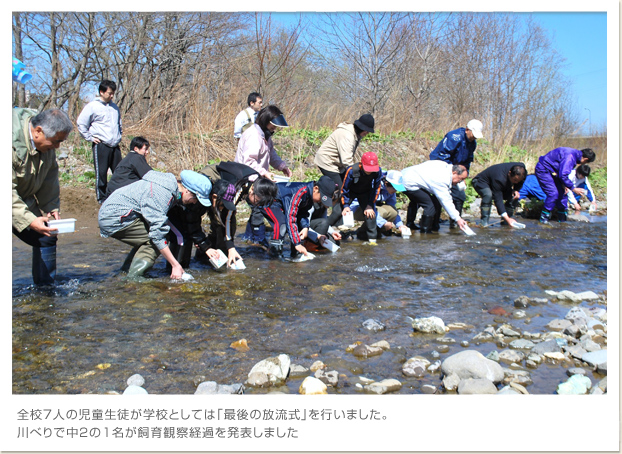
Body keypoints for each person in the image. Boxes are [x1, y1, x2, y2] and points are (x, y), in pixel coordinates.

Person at [98, 170, 211, 279]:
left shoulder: (170, 187)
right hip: (113, 218)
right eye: (196, 198)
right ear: (187, 191)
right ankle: (134, 279)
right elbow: (157, 236)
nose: (195, 202)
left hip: (118, 214)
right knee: (154, 241)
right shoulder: (162, 194)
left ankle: (125, 272)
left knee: (149, 238)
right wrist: (175, 265)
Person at [13, 108, 73, 285]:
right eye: (56, 142)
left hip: (20, 197)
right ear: (38, 131)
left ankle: (45, 291)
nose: (57, 147)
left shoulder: (46, 145)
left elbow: (49, 178)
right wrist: (29, 220)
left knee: (47, 234)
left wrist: (51, 207)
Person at [234, 105, 292, 245]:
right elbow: (249, 161)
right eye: (273, 126)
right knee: (258, 208)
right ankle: (257, 239)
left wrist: (282, 166)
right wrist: (265, 172)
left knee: (257, 208)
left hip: (258, 177)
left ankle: (250, 237)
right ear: (266, 121)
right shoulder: (254, 135)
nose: (274, 129)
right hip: (247, 178)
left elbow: (271, 155)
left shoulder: (265, 136)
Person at [313, 114, 375, 225]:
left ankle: (338, 222)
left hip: (337, 164)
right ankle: (327, 222)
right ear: (361, 128)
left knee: (344, 189)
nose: (367, 134)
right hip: (327, 161)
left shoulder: (355, 134)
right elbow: (347, 160)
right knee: (340, 190)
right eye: (366, 131)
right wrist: (357, 175)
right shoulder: (348, 135)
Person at [429, 119, 483, 226]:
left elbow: (467, 160)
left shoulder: (473, 143)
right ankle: (433, 223)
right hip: (441, 168)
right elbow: (442, 156)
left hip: (456, 172)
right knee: (438, 196)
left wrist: (463, 177)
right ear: (467, 130)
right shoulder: (454, 137)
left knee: (460, 196)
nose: (475, 138)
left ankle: (454, 222)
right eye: (474, 135)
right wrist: (453, 172)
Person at [77, 80, 123, 203]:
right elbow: (81, 123)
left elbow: (119, 124)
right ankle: (101, 198)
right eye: (109, 93)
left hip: (115, 145)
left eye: (113, 93)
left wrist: (119, 136)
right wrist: (89, 137)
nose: (112, 95)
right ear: (101, 92)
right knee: (101, 173)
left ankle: (118, 196)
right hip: (101, 144)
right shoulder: (92, 106)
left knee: (119, 172)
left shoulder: (114, 107)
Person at [275, 176, 340, 259]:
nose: (322, 202)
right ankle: (276, 254)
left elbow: (303, 215)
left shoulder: (311, 197)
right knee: (283, 225)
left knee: (334, 241)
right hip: (274, 203)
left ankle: (296, 254)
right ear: (316, 189)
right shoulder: (302, 194)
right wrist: (297, 243)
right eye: (322, 199)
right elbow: (291, 217)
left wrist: (305, 227)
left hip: (300, 220)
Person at [401, 161, 469, 233]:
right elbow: (445, 200)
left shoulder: (445, 166)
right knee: (430, 205)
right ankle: (425, 231)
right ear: (454, 173)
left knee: (418, 199)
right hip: (407, 182)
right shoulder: (441, 179)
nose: (460, 182)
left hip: (406, 174)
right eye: (460, 179)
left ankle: (410, 224)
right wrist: (458, 218)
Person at [534, 147, 595, 223]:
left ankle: (562, 221)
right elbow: (563, 175)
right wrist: (573, 188)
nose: (583, 164)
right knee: (553, 194)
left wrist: (565, 185)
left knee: (563, 194)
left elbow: (562, 173)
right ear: (585, 159)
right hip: (544, 169)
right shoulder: (570, 157)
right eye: (585, 162)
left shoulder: (574, 155)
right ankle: (543, 220)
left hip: (554, 172)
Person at [340, 152, 383, 241]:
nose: (370, 171)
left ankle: (372, 241)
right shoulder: (352, 170)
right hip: (351, 192)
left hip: (365, 193)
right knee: (337, 212)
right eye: (368, 168)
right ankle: (329, 233)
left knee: (370, 215)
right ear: (362, 164)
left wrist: (370, 205)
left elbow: (376, 188)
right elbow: (344, 189)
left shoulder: (377, 171)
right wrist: (346, 205)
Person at [350, 169, 407, 235]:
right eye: (395, 188)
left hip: (373, 209)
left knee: (393, 212)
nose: (396, 191)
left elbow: (392, 207)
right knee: (382, 211)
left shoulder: (390, 190)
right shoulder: (373, 185)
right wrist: (383, 223)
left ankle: (376, 230)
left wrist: (400, 225)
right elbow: (367, 206)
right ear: (386, 183)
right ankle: (363, 232)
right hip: (357, 209)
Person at [471, 162, 527, 227]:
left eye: (518, 181)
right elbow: (498, 200)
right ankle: (484, 223)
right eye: (515, 180)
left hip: (498, 184)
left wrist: (516, 190)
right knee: (488, 195)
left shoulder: (522, 170)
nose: (516, 182)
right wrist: (505, 216)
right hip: (480, 182)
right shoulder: (499, 178)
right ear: (509, 173)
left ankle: (506, 222)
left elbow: (520, 182)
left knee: (515, 196)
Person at [103, 136, 152, 201]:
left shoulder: (129, 158)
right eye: (145, 149)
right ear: (136, 149)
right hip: (121, 194)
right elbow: (149, 175)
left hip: (111, 193)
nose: (147, 152)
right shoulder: (136, 157)